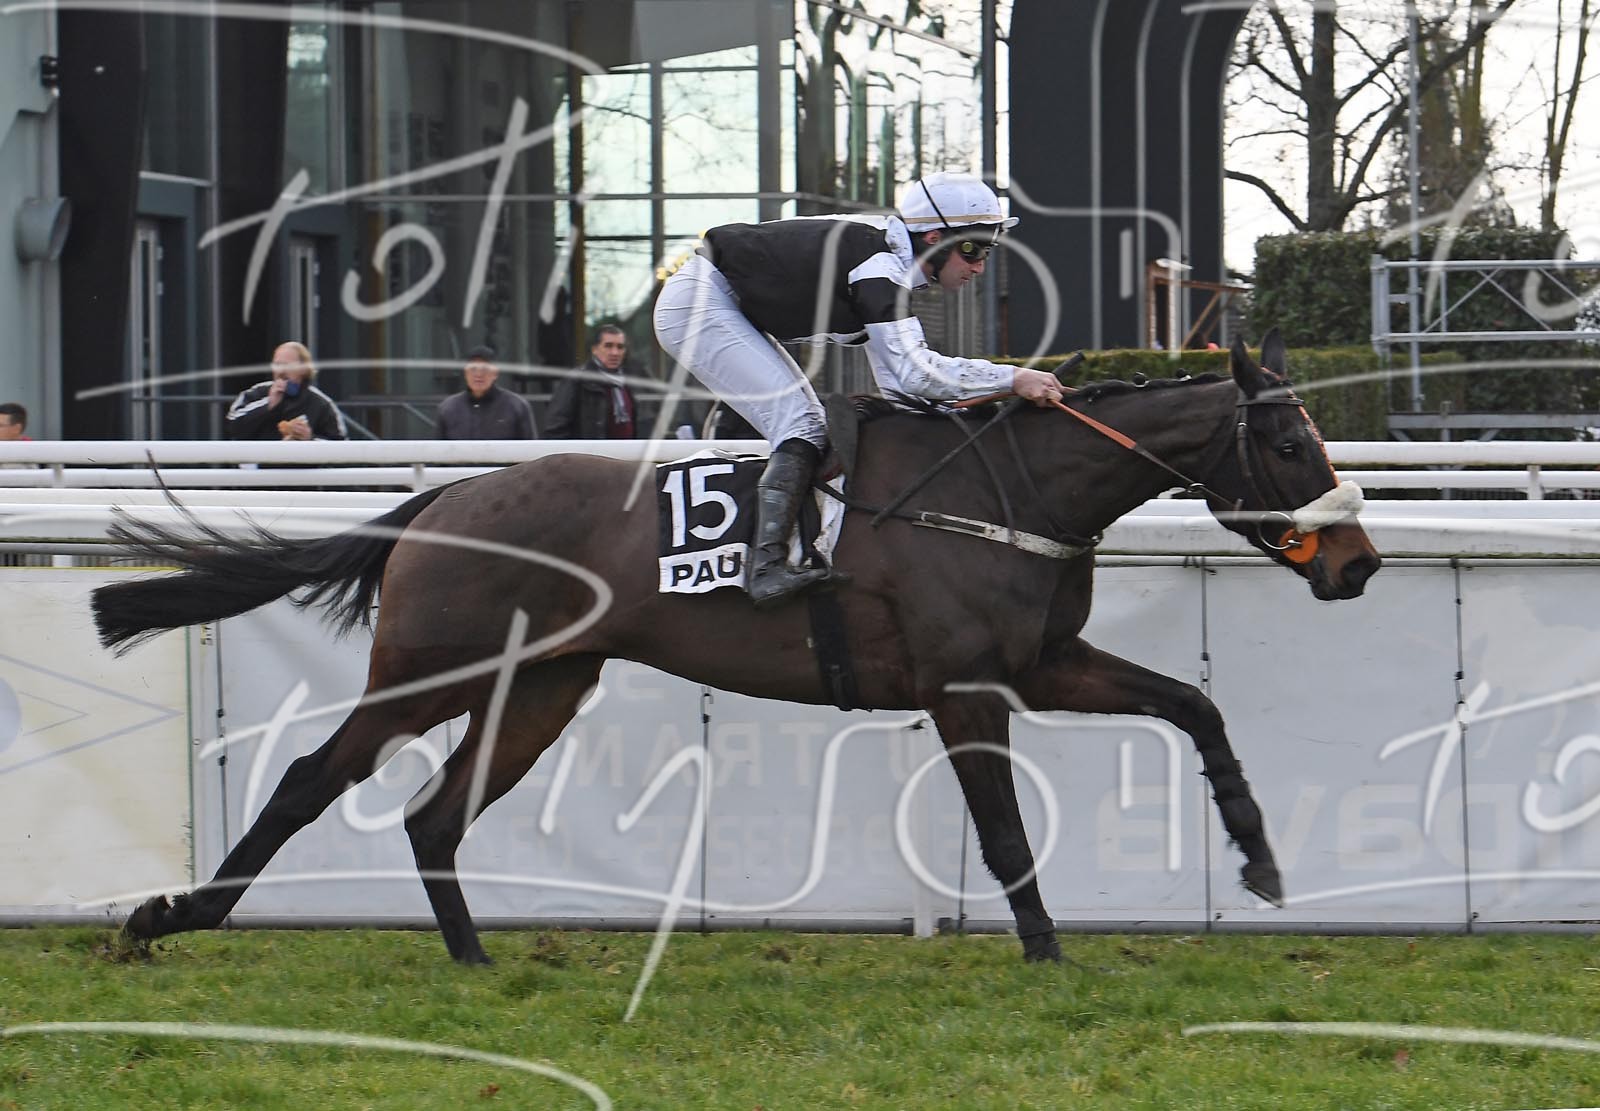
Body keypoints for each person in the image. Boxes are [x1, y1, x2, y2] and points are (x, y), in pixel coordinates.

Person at [652, 171, 1065, 609]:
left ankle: (785, 553)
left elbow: (900, 388)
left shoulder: (884, 264)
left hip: (723, 302)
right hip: (698, 304)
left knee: (809, 425)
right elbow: (915, 374)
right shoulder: (878, 266)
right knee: (802, 425)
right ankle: (765, 569)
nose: (979, 266)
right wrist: (1013, 378)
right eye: (972, 249)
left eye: (986, 251)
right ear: (934, 239)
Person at [224, 341, 349, 441]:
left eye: (287, 365)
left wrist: (310, 439)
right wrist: (268, 405)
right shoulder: (257, 393)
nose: (281, 371)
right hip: (258, 464)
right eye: (277, 365)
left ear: (304, 369)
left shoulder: (321, 403)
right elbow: (232, 427)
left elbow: (341, 447)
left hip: (301, 465)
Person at [546, 324, 641, 439]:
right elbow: (555, 427)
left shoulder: (626, 381)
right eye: (608, 346)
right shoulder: (577, 380)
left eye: (620, 347)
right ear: (594, 349)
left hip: (627, 450)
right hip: (591, 450)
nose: (615, 353)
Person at [435, 346, 537, 440]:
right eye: (473, 369)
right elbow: (437, 450)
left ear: (495, 373)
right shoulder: (448, 408)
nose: (478, 374)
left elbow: (531, 449)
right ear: (465, 373)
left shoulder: (516, 406)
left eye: (485, 369)